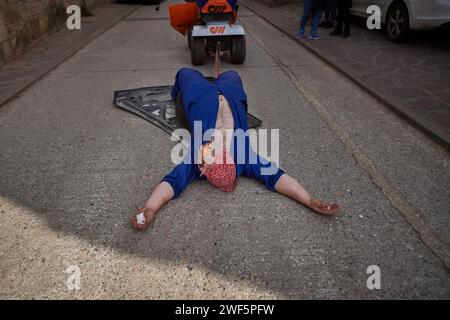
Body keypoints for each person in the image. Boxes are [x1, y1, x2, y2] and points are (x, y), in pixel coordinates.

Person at [131, 68, 340, 231]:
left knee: (186, 73)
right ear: (228, 158)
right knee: (232, 74)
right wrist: (308, 199)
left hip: (199, 95)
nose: (208, 150)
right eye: (214, 153)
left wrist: (150, 208)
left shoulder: (196, 162)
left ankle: (176, 93)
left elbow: (171, 183)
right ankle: (219, 81)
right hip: (231, 94)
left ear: (204, 170)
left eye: (207, 156)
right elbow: (276, 176)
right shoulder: (244, 159)